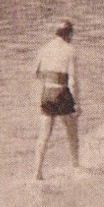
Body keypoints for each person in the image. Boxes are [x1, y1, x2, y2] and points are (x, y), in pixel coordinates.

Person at [34, 20, 80, 180]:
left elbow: (36, 73)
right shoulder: (70, 50)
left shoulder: (44, 49)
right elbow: (72, 80)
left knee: (44, 135)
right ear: (69, 35)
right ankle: (76, 168)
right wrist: (77, 104)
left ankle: (37, 172)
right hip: (62, 92)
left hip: (47, 92)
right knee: (72, 132)